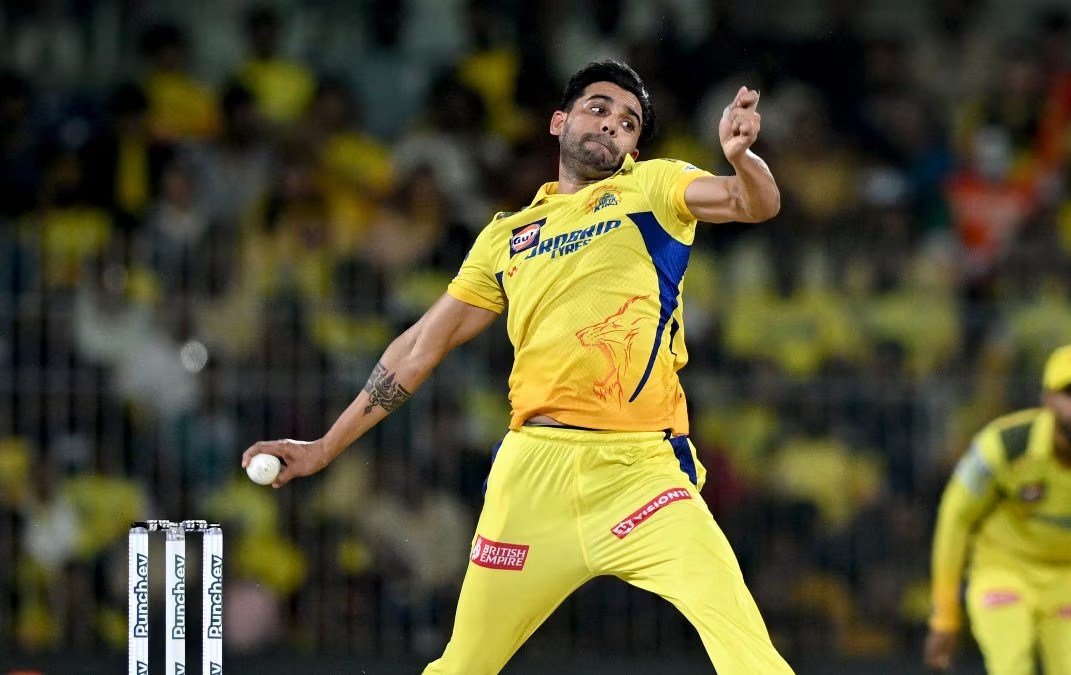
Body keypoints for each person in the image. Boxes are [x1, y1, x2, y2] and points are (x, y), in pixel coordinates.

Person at [243, 59, 793, 673]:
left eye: (628, 123)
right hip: (531, 480)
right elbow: (420, 346)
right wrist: (325, 446)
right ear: (559, 122)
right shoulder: (507, 236)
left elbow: (753, 203)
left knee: (745, 647)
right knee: (463, 665)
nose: (612, 125)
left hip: (640, 475)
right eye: (599, 109)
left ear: (635, 148)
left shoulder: (655, 186)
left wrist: (742, 158)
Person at [923, 343, 1071, 674]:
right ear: (1048, 398)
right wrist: (944, 616)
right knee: (1010, 666)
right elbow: (955, 518)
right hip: (1003, 570)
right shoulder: (1003, 445)